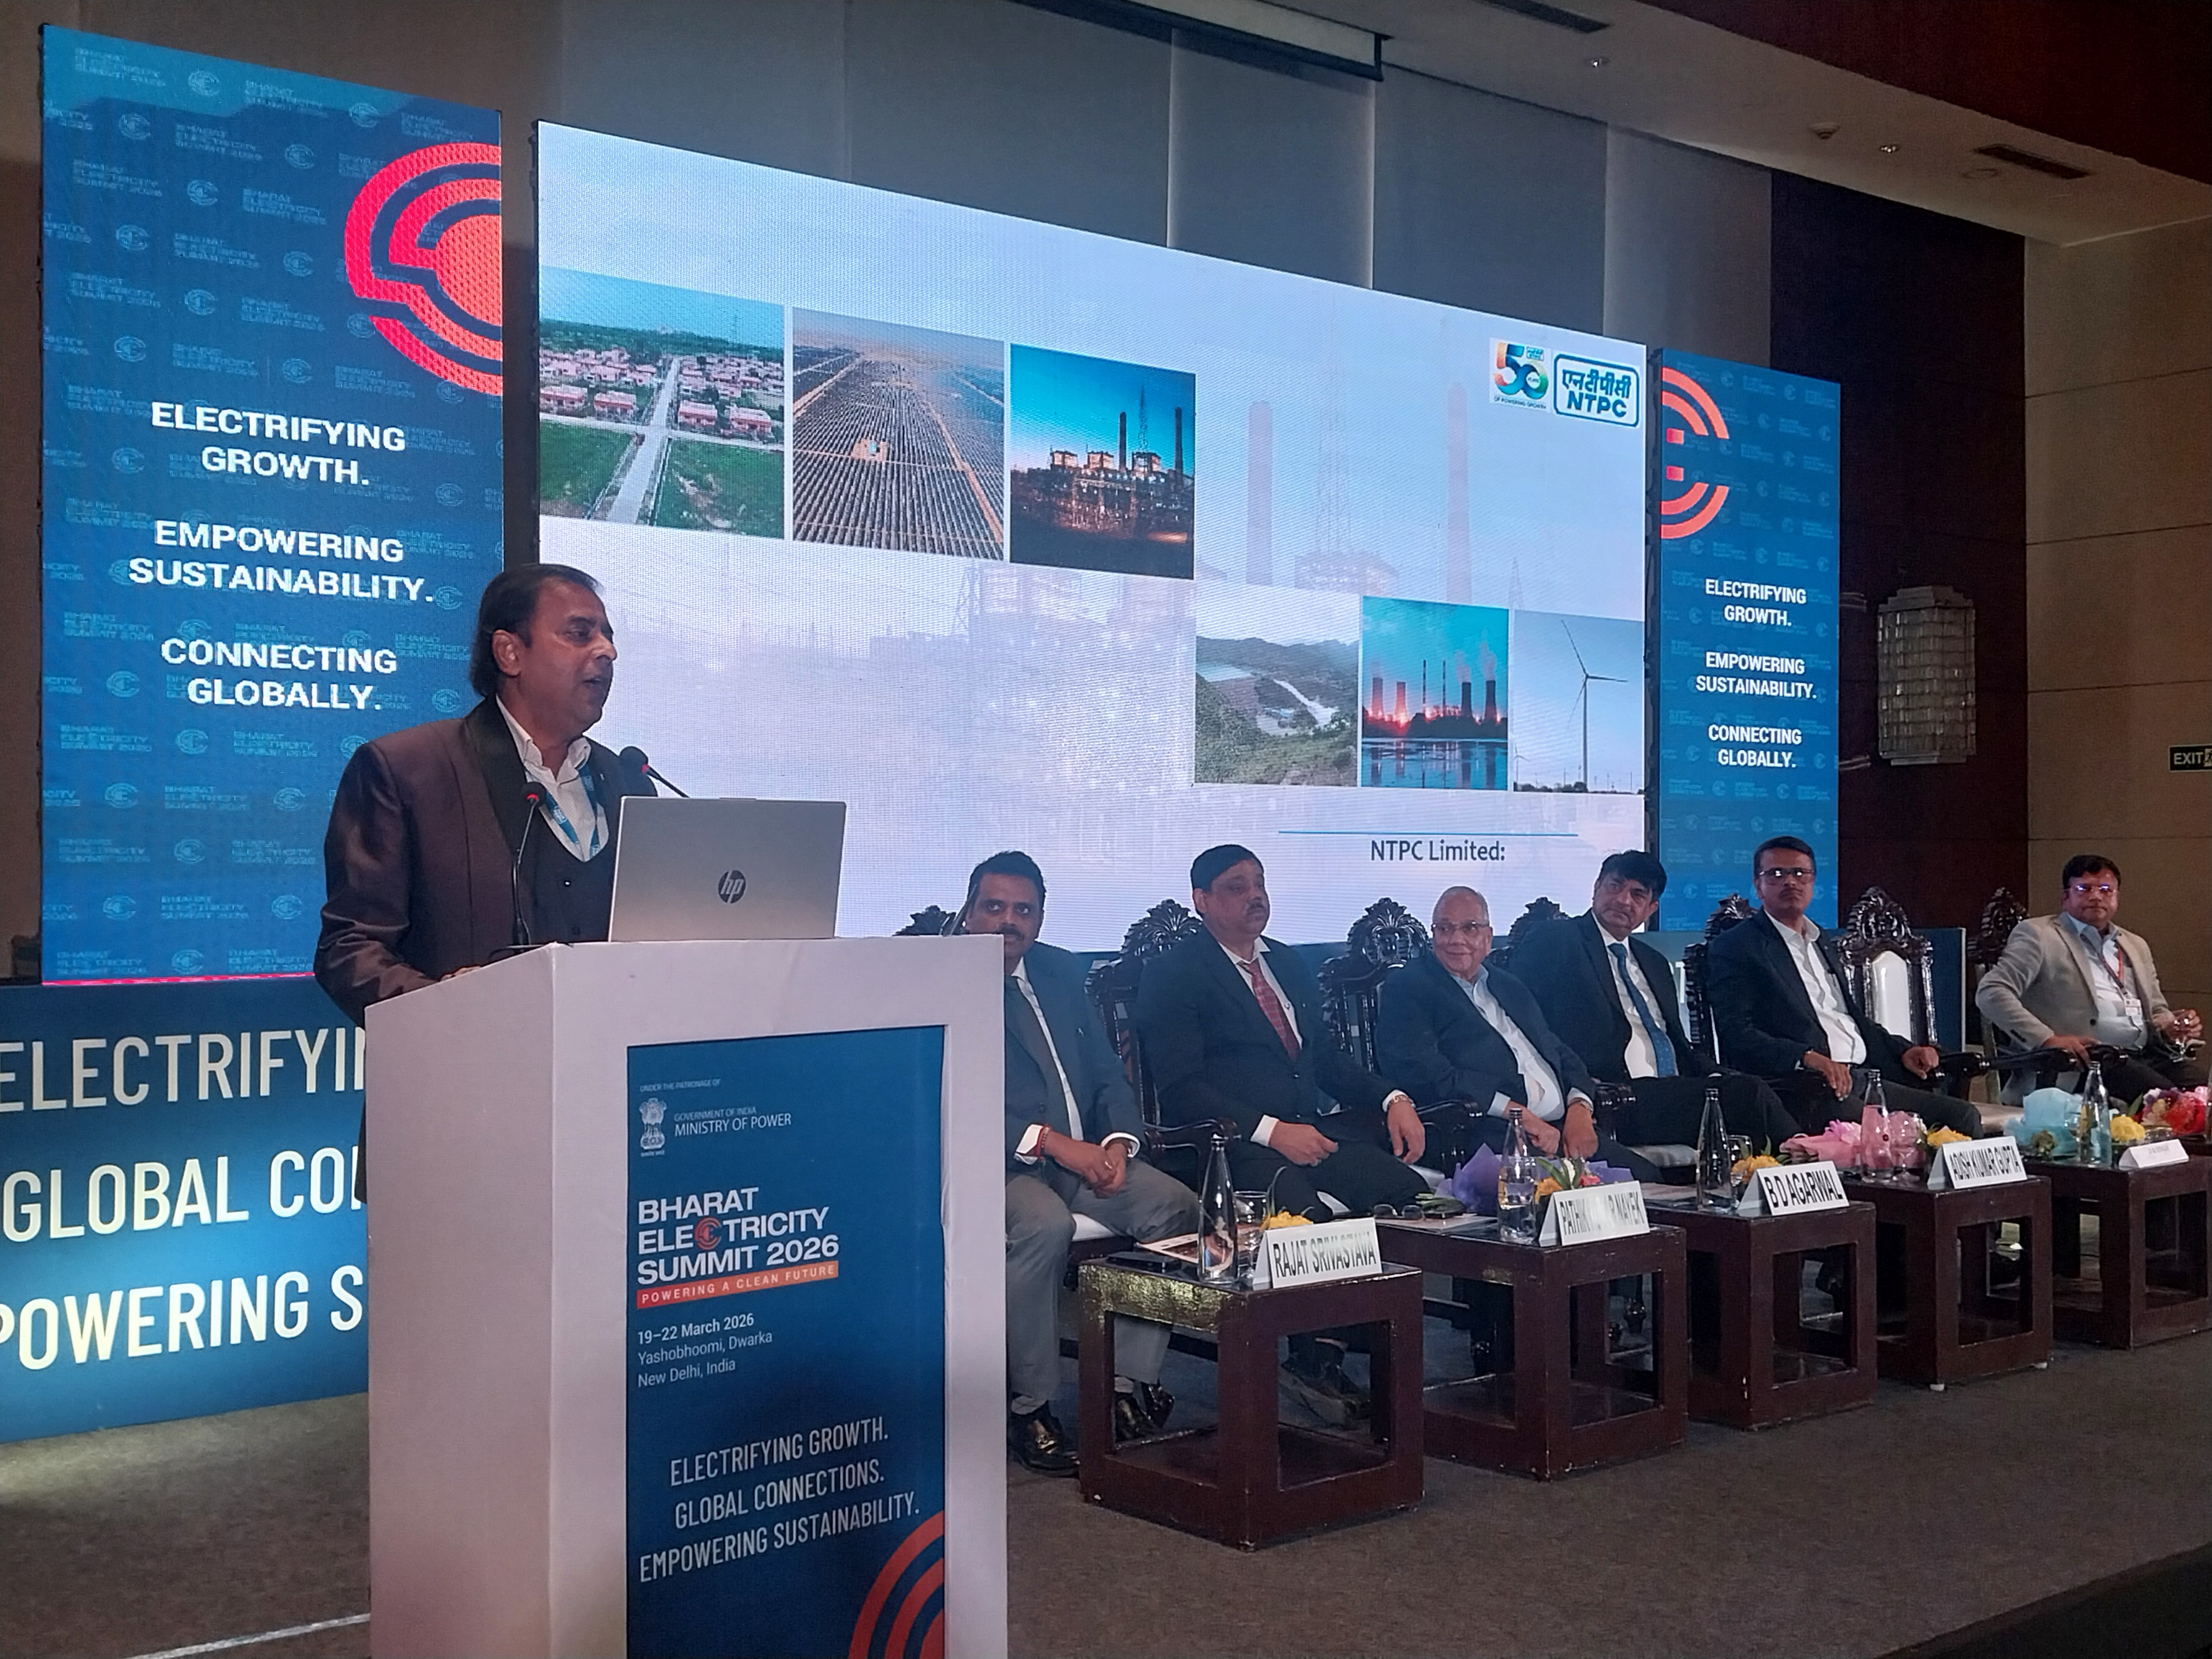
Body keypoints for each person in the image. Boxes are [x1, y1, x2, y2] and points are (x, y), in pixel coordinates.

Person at [316, 565, 655, 1187]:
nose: (606, 651)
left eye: (608, 636)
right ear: (509, 652)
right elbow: (349, 949)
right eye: (580, 633)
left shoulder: (627, 781)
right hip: (455, 1128)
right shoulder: (406, 770)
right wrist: (446, 1007)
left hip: (607, 1124)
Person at [1133, 844, 1427, 1417]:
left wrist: (1392, 1097)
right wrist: (1271, 1132)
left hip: (1309, 1135)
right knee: (1304, 1218)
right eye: (1237, 887)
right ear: (1201, 900)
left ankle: (1357, 1340)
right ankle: (1314, 1361)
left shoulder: (1287, 964)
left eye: (1260, 884)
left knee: (1407, 1193)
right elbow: (1182, 1088)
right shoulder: (1175, 974)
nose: (1255, 897)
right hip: (1229, 1147)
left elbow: (1327, 1061)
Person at [960, 851, 1199, 1476]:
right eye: (994, 907)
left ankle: (1124, 1382)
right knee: (1044, 1225)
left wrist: (1119, 1142)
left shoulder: (1060, 970)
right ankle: (1031, 1406)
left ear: (1039, 918)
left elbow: (1106, 1074)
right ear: (969, 912)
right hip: (994, 1161)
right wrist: (1049, 1142)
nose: (1008, 921)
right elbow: (943, 1095)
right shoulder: (940, 979)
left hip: (1084, 1155)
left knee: (1174, 1206)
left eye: (1023, 910)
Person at [1507, 851, 1802, 1152]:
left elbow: (1679, 1046)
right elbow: (1526, 1023)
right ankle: (1806, 1155)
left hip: (1671, 1091)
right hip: (1613, 1095)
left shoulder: (1654, 962)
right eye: (1615, 886)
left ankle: (1789, 1164)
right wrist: (1576, 1086)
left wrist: (1720, 1074)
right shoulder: (1556, 939)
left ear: (1651, 908)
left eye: (1638, 894)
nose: (1624, 900)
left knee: (1753, 1093)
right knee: (1750, 1095)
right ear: (1596, 888)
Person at [1376, 886, 1663, 1180]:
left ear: (1488, 937)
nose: (1456, 939)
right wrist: (1521, 1117)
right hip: (1492, 1131)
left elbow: (1559, 1051)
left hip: (1565, 1129)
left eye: (1469, 928)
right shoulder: (1410, 987)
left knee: (1646, 1178)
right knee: (1558, 1191)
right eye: (1444, 928)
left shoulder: (1508, 984)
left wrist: (1580, 1107)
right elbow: (1427, 1074)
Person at [1703, 836, 1982, 1137]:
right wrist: (1807, 1057)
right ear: (1758, 886)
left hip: (1861, 1077)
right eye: (1776, 874)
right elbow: (1737, 1033)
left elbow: (1852, 1020)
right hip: (1805, 1088)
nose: (1790, 882)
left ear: (1812, 883)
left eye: (1800, 874)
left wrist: (1905, 1051)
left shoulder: (1821, 941)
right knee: (1879, 1132)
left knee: (1961, 1116)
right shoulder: (1738, 946)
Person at [1975, 854, 2207, 1103]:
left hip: (2147, 1054)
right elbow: (1992, 993)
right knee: (2168, 1101)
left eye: (2106, 890)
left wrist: (2171, 1026)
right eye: (2084, 889)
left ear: (2117, 897)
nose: (2096, 896)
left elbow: (2157, 1010)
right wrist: (2047, 1039)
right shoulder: (2040, 935)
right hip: (2086, 1060)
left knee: (2204, 1091)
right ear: (2066, 897)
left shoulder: (2135, 944)